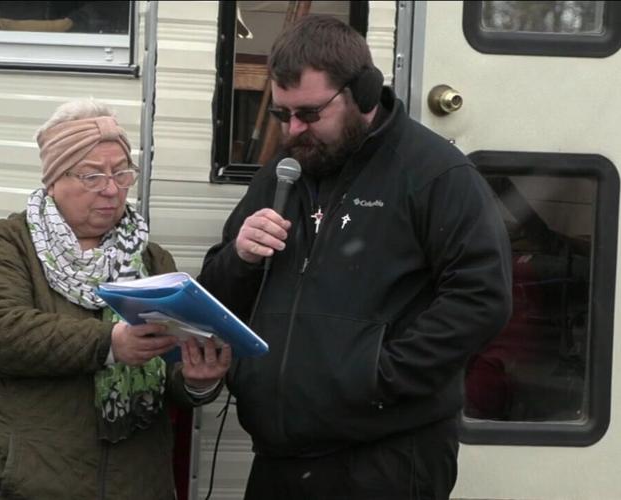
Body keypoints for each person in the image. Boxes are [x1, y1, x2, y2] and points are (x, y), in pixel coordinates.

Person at [197, 15, 512, 500]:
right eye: (282, 115)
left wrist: (379, 377)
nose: (292, 131)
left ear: (363, 93)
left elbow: (482, 297)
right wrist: (241, 256)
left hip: (386, 458)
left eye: (308, 114)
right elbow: (216, 297)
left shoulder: (435, 173)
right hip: (280, 459)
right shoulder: (282, 175)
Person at [0, 99, 231, 500]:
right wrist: (109, 344)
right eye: (92, 175)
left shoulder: (150, 259)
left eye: (121, 173)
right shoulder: (8, 243)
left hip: (133, 485)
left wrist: (198, 380)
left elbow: (168, 373)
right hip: (13, 483)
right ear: (54, 179)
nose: (112, 189)